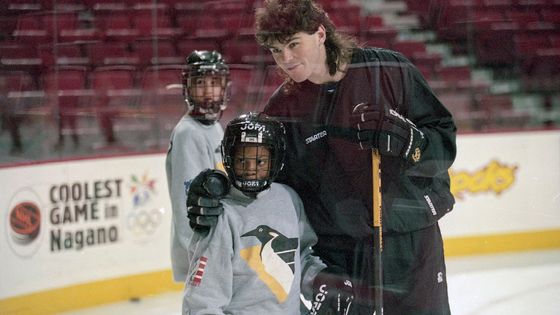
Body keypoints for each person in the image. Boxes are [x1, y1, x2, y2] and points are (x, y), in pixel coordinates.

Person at [187, 0, 457, 314]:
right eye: (276, 50)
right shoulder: (283, 111)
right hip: (338, 257)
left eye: (292, 44)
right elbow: (261, 183)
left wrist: (414, 143)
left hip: (409, 242)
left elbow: (443, 136)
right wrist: (216, 189)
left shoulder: (386, 71)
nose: (285, 59)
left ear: (319, 34)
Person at [183, 112, 354, 314]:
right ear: (228, 158)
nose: (251, 169)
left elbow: (300, 257)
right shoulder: (220, 215)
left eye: (260, 162)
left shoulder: (289, 199)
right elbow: (203, 303)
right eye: (242, 161)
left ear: (275, 160)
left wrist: (320, 279)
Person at [165, 50, 230, 283]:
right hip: (203, 256)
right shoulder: (188, 133)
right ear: (187, 88)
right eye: (200, 83)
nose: (208, 90)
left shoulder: (214, 127)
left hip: (216, 248)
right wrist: (202, 255)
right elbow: (188, 205)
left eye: (214, 83)